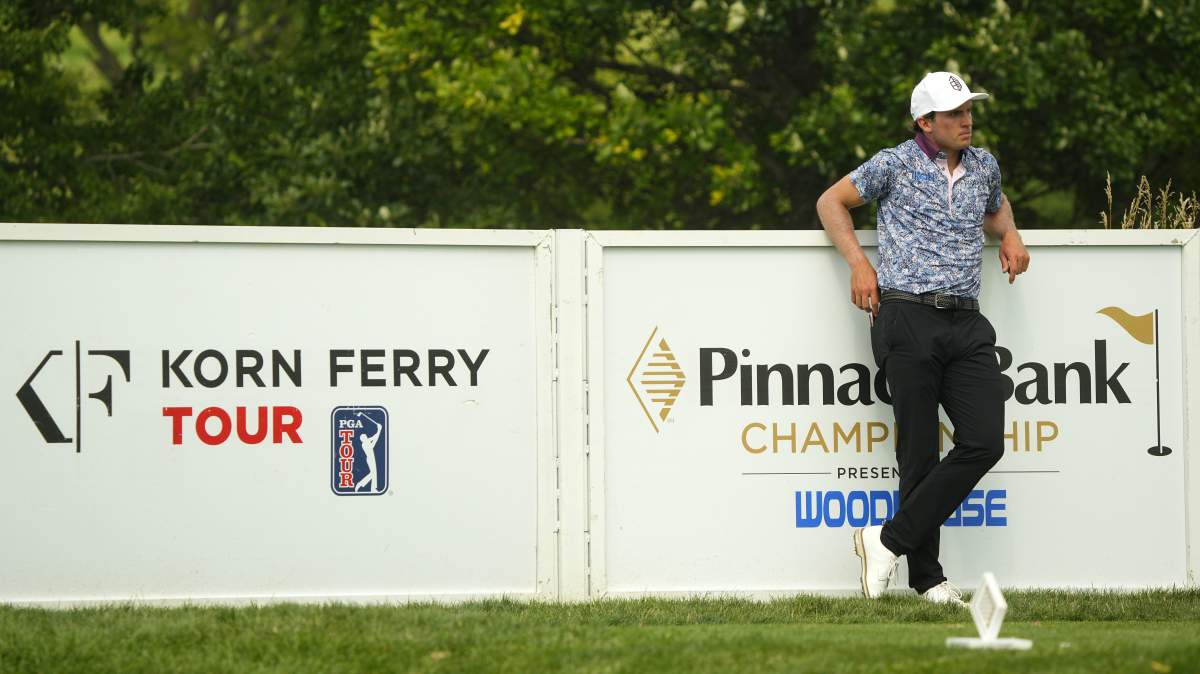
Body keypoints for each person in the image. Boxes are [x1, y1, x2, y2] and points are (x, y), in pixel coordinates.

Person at [815, 71, 1030, 606]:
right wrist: (859, 264)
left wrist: (1009, 232)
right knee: (918, 454)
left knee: (984, 441)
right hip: (906, 315)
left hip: (967, 322)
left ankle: (885, 541)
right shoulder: (893, 163)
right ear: (926, 122)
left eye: (968, 111)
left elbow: (996, 205)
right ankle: (928, 580)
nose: (967, 120)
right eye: (955, 113)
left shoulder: (984, 165)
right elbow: (830, 202)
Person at [355, 411, 383, 493]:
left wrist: (379, 430)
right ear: (363, 439)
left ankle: (373, 489)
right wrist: (379, 430)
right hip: (370, 459)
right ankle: (360, 484)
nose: (366, 436)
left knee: (374, 473)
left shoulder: (367, 441)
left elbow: (374, 437)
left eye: (366, 436)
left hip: (371, 457)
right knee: (373, 474)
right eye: (364, 436)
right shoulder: (365, 444)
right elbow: (374, 442)